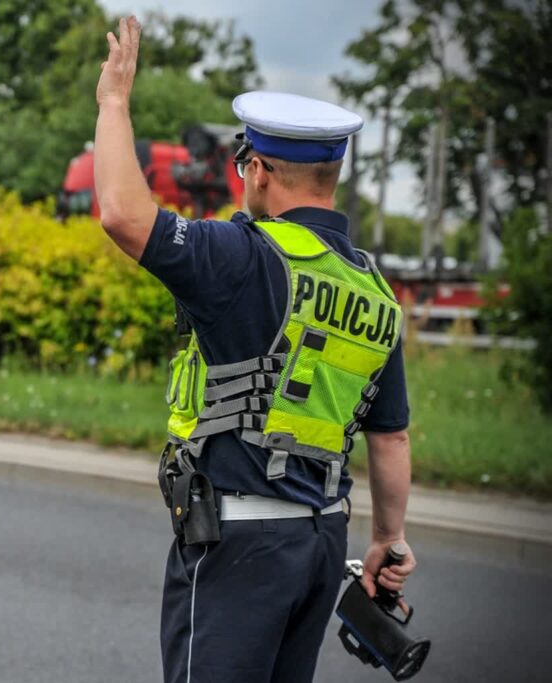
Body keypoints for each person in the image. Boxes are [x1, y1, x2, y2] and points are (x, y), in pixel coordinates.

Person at [93, 17, 417, 683]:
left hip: (238, 541)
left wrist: (114, 103)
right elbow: (391, 438)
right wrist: (388, 539)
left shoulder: (242, 256)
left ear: (259, 169)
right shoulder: (375, 290)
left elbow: (125, 215)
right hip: (323, 540)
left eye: (246, 165)